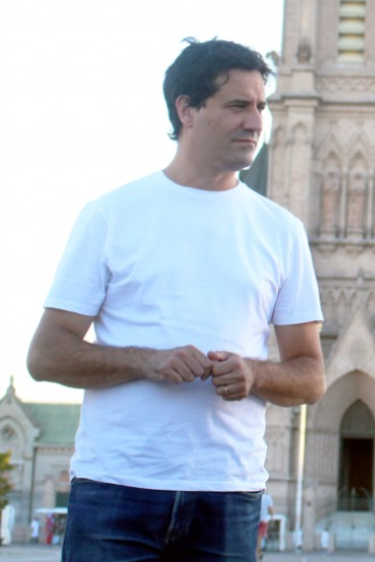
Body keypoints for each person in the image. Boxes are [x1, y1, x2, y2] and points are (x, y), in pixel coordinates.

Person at [27, 38, 326, 561]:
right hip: (116, 491)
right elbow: (47, 354)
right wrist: (148, 361)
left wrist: (255, 374)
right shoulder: (111, 215)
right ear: (186, 109)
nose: (256, 122)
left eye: (261, 106)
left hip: (228, 495)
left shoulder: (281, 231)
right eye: (237, 105)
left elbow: (310, 375)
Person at [257, 491, 273, 558]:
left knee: (256, 536)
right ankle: (258, 552)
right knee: (260, 536)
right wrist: (272, 516)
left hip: (256, 519)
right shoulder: (267, 497)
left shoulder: (257, 496)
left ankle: (258, 552)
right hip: (264, 519)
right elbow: (270, 508)